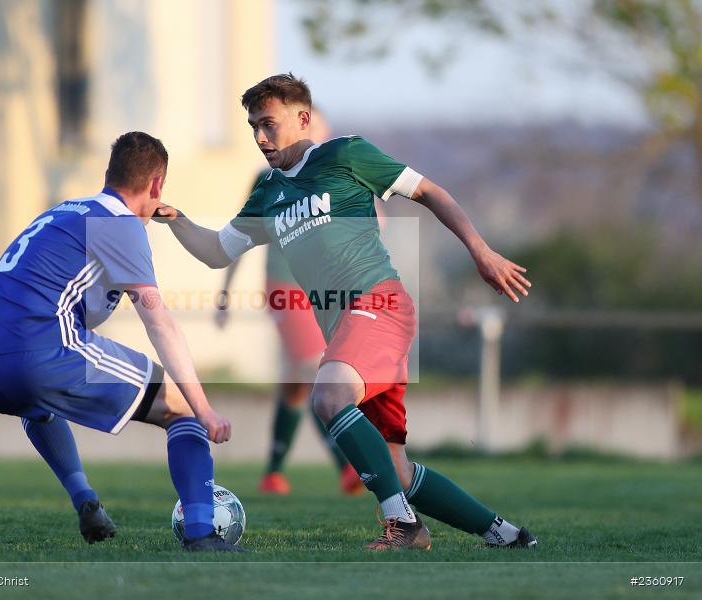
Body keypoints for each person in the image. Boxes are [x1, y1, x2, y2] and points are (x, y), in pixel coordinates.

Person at [155, 74, 537, 551]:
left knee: (328, 396)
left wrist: (480, 250)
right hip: (345, 331)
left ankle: (404, 525)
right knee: (396, 469)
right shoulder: (267, 192)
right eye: (253, 126)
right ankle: (507, 535)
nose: (259, 137)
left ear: (302, 118)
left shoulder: (345, 154)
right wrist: (173, 218)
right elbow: (216, 251)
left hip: (379, 306)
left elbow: (429, 192)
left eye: (268, 124)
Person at [0, 132, 241, 552]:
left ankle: (85, 500)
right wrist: (203, 407)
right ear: (157, 184)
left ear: (110, 174)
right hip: (41, 352)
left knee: (40, 407)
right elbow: (159, 322)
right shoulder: (121, 226)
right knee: (180, 407)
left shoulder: (66, 212)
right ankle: (202, 533)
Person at [215, 109, 364, 497]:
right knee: (313, 370)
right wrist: (225, 293)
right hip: (284, 286)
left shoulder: (335, 175)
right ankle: (347, 465)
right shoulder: (267, 179)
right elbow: (240, 235)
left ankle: (273, 472)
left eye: (316, 126)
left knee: (298, 385)